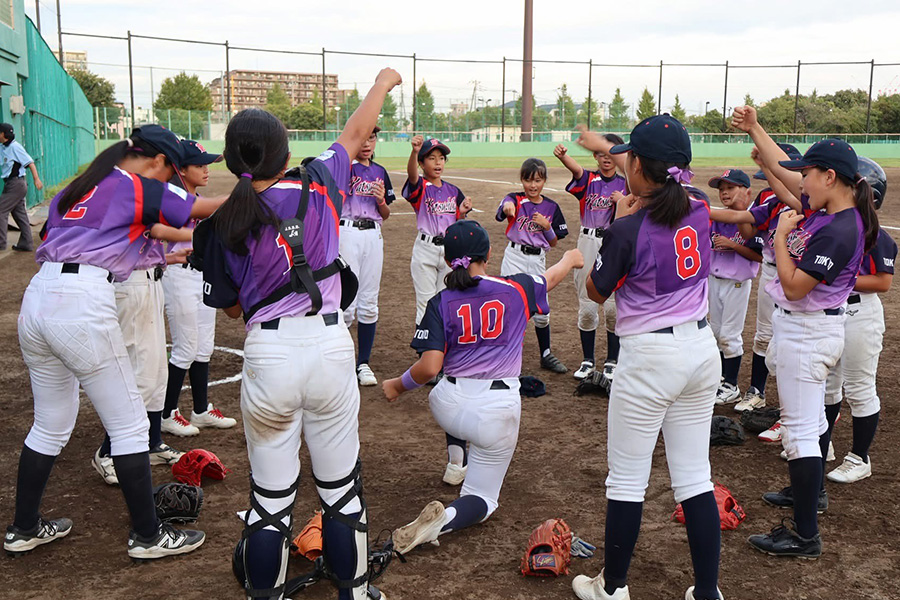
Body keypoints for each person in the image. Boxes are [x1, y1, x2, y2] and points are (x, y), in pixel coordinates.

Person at [197, 68, 402, 600]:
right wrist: (380, 83)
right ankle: (354, 593)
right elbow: (356, 134)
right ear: (287, 155)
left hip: (269, 353)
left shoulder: (224, 219)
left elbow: (234, 311)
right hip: (331, 346)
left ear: (230, 161)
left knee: (270, 501)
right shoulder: (319, 181)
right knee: (340, 493)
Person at [6, 124, 219, 559]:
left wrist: (176, 252)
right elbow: (206, 208)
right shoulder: (135, 182)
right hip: (82, 305)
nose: (168, 177)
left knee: (49, 424)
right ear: (157, 161)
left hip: (40, 300)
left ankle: (23, 527)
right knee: (131, 427)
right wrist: (272, 191)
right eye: (170, 169)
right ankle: (148, 535)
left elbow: (104, 247)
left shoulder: (81, 186)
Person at [573, 115, 723, 600]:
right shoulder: (699, 208)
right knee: (695, 477)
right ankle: (706, 592)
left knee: (628, 481)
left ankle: (612, 587)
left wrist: (618, 220)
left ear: (638, 167)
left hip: (650, 357)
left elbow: (596, 291)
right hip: (701, 349)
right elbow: (668, 202)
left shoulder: (627, 228)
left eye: (629, 158)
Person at [729, 106, 878, 559]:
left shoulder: (838, 228)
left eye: (809, 175)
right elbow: (781, 169)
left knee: (798, 433)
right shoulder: (832, 208)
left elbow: (793, 289)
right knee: (810, 427)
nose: (802, 182)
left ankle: (805, 534)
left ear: (830, 177)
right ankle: (806, 504)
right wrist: (756, 127)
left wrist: (778, 238)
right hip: (810, 331)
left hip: (808, 331)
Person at [382, 219, 583, 554]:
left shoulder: (440, 300)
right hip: (497, 411)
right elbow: (549, 279)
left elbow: (429, 367)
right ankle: (444, 519)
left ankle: (456, 458)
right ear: (488, 254)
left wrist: (397, 386)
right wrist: (569, 259)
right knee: (482, 500)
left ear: (448, 261)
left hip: (447, 405)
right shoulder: (515, 288)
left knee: (451, 394)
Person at [824, 158, 895, 484]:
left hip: (860, 313)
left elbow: (882, 282)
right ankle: (822, 445)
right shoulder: (839, 226)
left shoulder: (878, 236)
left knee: (859, 387)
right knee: (828, 384)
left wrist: (840, 277)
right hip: (835, 311)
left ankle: (859, 457)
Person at [160, 140, 237, 438]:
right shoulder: (168, 198)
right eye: (199, 165)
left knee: (204, 345)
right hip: (178, 273)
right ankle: (167, 413)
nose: (206, 170)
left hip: (201, 274)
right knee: (185, 346)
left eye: (207, 164)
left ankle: (201, 410)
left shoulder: (198, 199)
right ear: (180, 170)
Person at [554, 137, 627, 381]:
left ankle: (612, 360)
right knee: (587, 305)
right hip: (588, 241)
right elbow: (576, 171)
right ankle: (587, 360)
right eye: (601, 153)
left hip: (614, 241)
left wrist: (622, 202)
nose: (606, 158)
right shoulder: (589, 180)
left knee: (613, 307)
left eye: (611, 153)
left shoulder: (627, 184)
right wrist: (564, 156)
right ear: (595, 156)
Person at [496, 158, 569, 373]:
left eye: (538, 180)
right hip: (515, 256)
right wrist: (507, 207)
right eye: (528, 180)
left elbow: (554, 242)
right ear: (522, 181)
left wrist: (547, 227)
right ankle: (505, 353)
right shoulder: (516, 200)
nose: (533, 185)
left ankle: (546, 353)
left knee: (541, 310)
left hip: (538, 259)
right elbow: (505, 206)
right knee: (510, 305)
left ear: (545, 180)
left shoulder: (551, 207)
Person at [339, 126, 394, 386]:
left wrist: (382, 201)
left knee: (369, 302)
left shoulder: (380, 171)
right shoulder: (343, 167)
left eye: (372, 137)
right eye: (363, 137)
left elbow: (385, 214)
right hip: (347, 232)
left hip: (373, 234)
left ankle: (363, 364)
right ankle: (343, 363)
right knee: (347, 303)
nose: (367, 143)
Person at [705, 169, 762, 405]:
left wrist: (733, 245)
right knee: (714, 333)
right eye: (721, 189)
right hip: (714, 280)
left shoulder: (751, 218)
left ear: (746, 192)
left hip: (737, 283)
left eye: (730, 187)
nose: (724, 192)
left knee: (729, 335)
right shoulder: (716, 217)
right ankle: (720, 379)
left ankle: (731, 384)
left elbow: (759, 256)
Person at [403, 136, 473, 326]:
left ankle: (441, 348)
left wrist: (463, 213)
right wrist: (414, 152)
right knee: (425, 303)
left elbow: (457, 220)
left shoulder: (453, 190)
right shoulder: (420, 187)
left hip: (448, 250)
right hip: (426, 249)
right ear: (421, 163)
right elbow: (411, 176)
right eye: (431, 158)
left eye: (441, 158)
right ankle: (423, 350)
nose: (437, 162)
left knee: (445, 300)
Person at [0, 122, 42, 251]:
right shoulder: (3, 147)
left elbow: (30, 163)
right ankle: (26, 243)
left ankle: (1, 243)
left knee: (1, 211)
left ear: (2, 134)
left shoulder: (15, 147)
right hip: (10, 184)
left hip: (16, 184)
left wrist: (36, 179)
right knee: (20, 214)